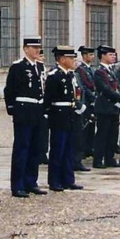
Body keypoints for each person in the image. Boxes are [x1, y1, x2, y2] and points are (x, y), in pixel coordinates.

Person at [4, 37, 48, 198]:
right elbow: (10, 90)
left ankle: (31, 181)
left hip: (37, 109)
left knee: (35, 148)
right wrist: (12, 109)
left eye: (38, 47)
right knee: (22, 148)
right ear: (25, 49)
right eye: (33, 47)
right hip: (24, 109)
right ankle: (18, 184)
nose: (37, 50)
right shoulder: (18, 67)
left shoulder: (40, 66)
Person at [43, 46, 85, 192]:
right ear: (62, 59)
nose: (74, 61)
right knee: (58, 149)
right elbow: (48, 99)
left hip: (70, 114)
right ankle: (54, 180)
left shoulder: (70, 75)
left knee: (69, 148)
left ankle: (68, 179)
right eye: (71, 58)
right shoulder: (54, 76)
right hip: (59, 115)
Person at [92, 45, 120, 168]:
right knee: (102, 134)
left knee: (113, 134)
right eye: (110, 55)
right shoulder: (99, 71)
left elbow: (118, 87)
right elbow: (105, 89)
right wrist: (118, 98)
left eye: (114, 55)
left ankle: (109, 158)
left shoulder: (112, 71)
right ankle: (98, 159)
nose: (113, 57)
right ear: (102, 56)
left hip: (114, 107)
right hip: (104, 106)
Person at [73, 46, 96, 171]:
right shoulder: (80, 71)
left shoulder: (85, 71)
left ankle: (87, 149)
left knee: (89, 128)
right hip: (80, 105)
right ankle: (80, 154)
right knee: (82, 130)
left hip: (84, 103)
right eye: (90, 55)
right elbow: (84, 89)